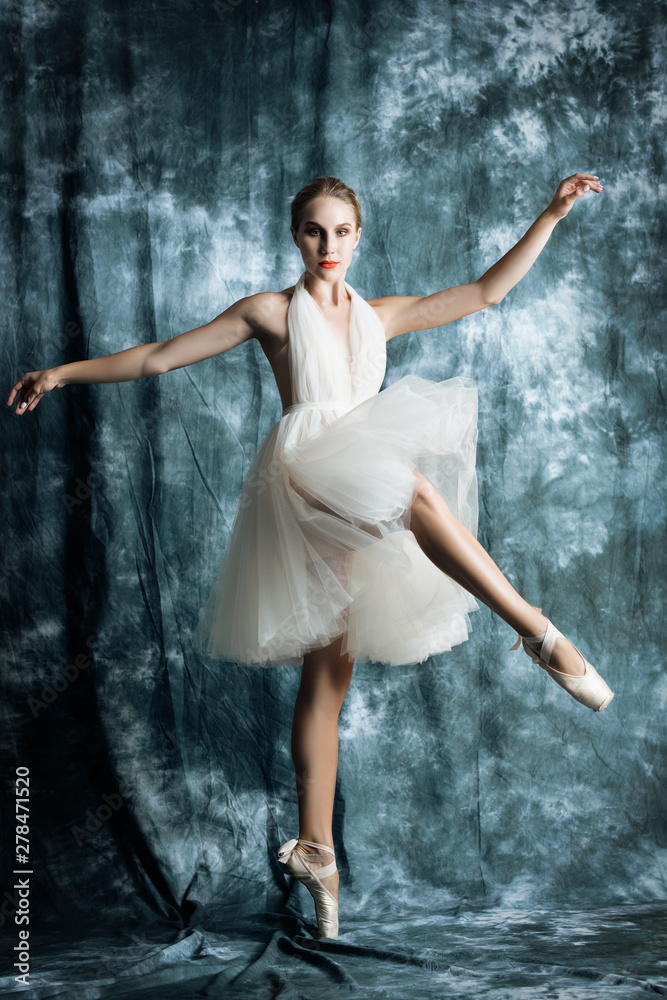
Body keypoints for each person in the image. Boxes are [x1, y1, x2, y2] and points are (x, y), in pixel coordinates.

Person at [6, 172, 614, 941]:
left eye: (341, 232)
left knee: (328, 676)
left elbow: (485, 292)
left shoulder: (380, 315)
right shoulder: (268, 312)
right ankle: (536, 631)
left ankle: (316, 853)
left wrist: (550, 214)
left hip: (358, 480)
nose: (328, 245)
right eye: (313, 231)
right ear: (295, 236)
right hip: (305, 478)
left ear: (358, 237)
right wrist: (61, 373)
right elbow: (159, 357)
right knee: (415, 491)